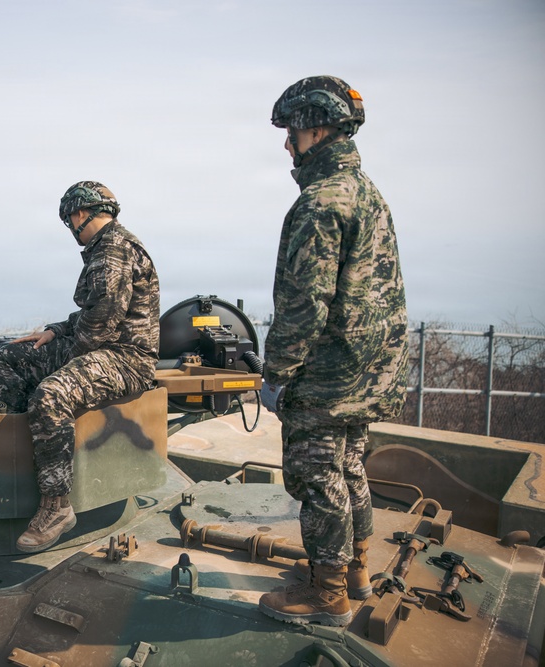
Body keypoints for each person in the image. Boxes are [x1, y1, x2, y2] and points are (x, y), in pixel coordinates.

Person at [257, 76, 409, 626]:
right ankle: (357, 571)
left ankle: (327, 596)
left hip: (327, 374)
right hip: (368, 370)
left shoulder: (319, 203)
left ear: (316, 129)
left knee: (317, 477)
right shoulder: (366, 191)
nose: (286, 144)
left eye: (292, 132)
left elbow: (304, 305)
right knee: (349, 468)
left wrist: (275, 375)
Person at [0, 181, 160, 553]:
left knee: (50, 396)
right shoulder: (106, 248)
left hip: (126, 360)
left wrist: (59, 364)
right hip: (102, 348)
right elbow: (91, 314)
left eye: (70, 219)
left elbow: (99, 328)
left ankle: (56, 506)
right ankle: (21, 463)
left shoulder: (113, 251)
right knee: (9, 356)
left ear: (79, 214)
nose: (71, 227)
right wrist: (55, 332)